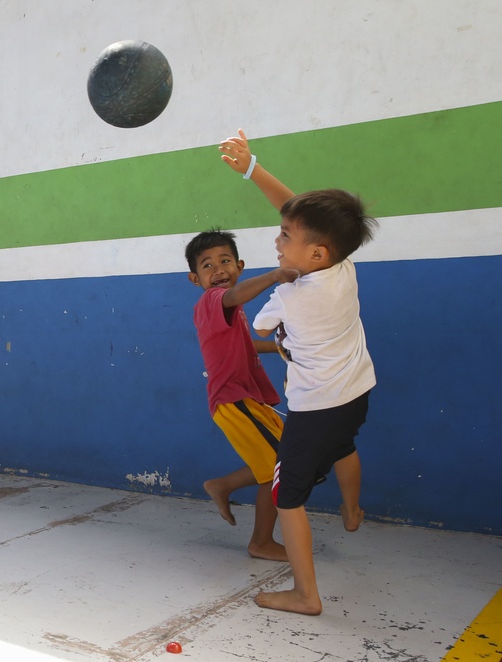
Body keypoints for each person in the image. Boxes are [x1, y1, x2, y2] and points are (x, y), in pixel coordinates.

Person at [220, 129, 377, 615]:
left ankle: (306, 595)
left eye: (285, 238)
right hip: (356, 392)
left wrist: (268, 292)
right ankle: (352, 511)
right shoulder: (340, 266)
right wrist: (252, 170)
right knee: (346, 446)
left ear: (315, 255)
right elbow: (298, 213)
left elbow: (259, 324)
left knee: (287, 497)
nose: (277, 239)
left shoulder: (292, 295)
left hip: (315, 409)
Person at [185, 229, 297, 562]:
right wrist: (276, 275)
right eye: (207, 266)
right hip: (233, 400)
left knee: (283, 461)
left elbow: (248, 347)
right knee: (279, 469)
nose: (218, 269)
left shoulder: (232, 310)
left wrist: (283, 348)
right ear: (195, 278)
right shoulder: (213, 301)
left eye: (225, 261)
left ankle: (222, 485)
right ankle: (261, 541)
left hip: (247, 400)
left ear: (240, 266)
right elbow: (236, 297)